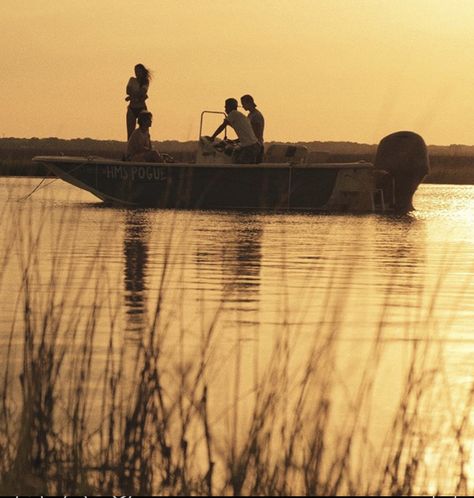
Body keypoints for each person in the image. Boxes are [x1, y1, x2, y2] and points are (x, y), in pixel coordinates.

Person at [209, 98, 260, 164]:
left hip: (249, 147)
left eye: (226, 107)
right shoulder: (240, 116)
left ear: (229, 107)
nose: (225, 109)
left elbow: (222, 126)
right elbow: (245, 134)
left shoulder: (233, 114)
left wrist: (212, 137)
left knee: (239, 166)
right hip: (255, 145)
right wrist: (233, 141)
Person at [126, 64, 152, 139]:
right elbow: (128, 90)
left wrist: (132, 96)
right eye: (135, 71)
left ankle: (146, 147)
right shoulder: (132, 80)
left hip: (141, 108)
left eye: (138, 71)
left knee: (145, 132)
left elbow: (143, 91)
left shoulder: (145, 81)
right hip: (132, 108)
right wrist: (138, 97)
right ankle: (130, 149)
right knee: (130, 134)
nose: (136, 73)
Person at [241, 94, 265, 163]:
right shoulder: (250, 115)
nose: (242, 106)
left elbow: (255, 133)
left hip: (256, 146)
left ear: (249, 103)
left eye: (243, 104)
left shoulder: (256, 116)